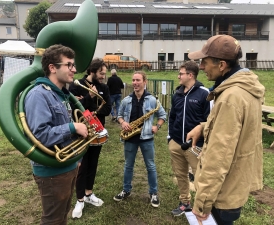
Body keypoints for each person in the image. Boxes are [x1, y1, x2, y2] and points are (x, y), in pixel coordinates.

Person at [186, 35, 265, 225]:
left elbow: (218, 157)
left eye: (204, 62)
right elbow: (239, 129)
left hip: (221, 194)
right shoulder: (245, 90)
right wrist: (204, 127)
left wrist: (202, 204)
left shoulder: (231, 98)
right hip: (235, 185)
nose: (201, 67)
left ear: (221, 65)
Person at [24, 44, 88, 224]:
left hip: (66, 165)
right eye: (69, 65)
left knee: (62, 215)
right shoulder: (38, 95)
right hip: (51, 170)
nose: (74, 69)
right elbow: (40, 135)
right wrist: (73, 128)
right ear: (52, 68)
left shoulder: (60, 95)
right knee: (53, 219)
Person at [113, 71, 167, 207]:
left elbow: (163, 115)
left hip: (147, 137)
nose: (135, 83)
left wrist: (157, 126)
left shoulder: (153, 100)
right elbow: (119, 115)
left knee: (150, 166)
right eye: (133, 80)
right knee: (128, 166)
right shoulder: (126, 100)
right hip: (130, 137)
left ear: (144, 82)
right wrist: (122, 122)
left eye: (138, 80)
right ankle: (126, 190)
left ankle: (153, 193)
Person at [68, 58, 111, 219]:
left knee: (93, 164)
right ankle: (79, 200)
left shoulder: (104, 87)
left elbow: (107, 109)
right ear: (92, 71)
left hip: (98, 131)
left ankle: (88, 193)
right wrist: (90, 98)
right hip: (81, 132)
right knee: (82, 166)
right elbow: (74, 108)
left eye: (104, 74)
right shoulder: (76, 85)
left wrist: (87, 104)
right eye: (101, 73)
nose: (103, 77)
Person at [168, 61, 211, 216]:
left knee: (201, 178)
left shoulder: (204, 93)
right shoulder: (177, 93)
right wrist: (170, 137)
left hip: (196, 146)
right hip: (176, 143)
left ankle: (202, 207)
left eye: (181, 73)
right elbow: (172, 116)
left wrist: (205, 144)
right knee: (181, 175)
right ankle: (185, 203)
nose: (178, 76)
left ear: (190, 75)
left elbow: (210, 121)